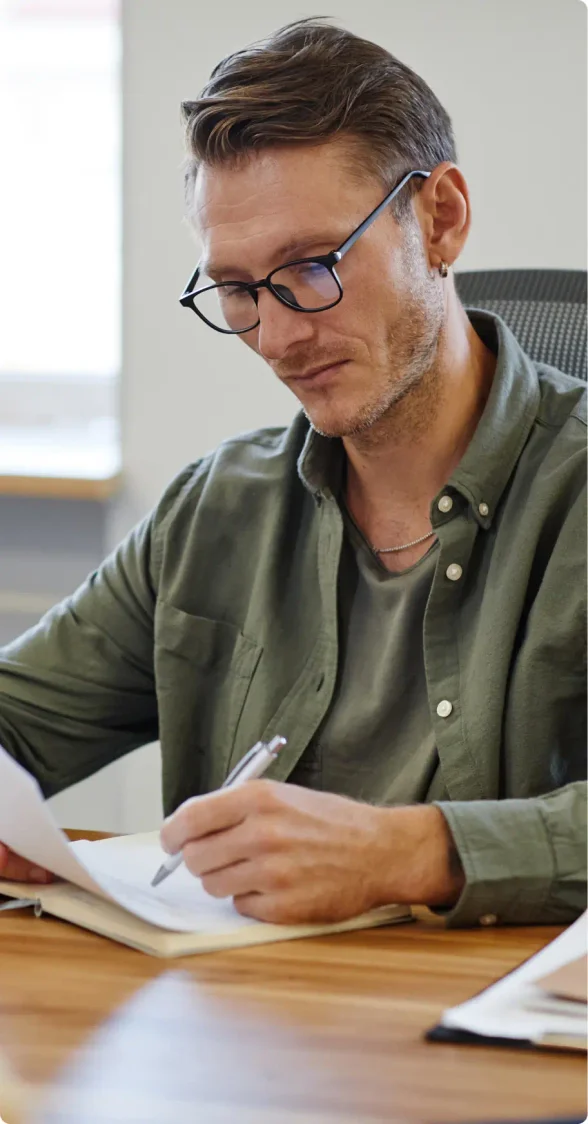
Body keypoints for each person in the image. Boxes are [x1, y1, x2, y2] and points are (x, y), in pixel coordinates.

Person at [0, 18, 585, 928]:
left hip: (502, 1049)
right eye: (238, 290)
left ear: (442, 219)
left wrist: (409, 851)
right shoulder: (214, 512)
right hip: (241, 1037)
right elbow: (13, 725)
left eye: (311, 268)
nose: (277, 338)